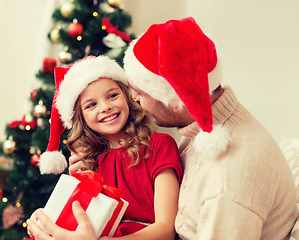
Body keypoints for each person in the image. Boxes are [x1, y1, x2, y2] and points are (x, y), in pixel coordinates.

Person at [70, 17, 299, 239]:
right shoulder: (200, 129)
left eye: (140, 92)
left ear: (173, 100)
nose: (134, 99)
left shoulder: (226, 187)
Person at [27, 55, 183, 240]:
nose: (106, 107)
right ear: (81, 117)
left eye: (112, 96)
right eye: (91, 105)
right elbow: (79, 221)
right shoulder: (86, 159)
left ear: (127, 97)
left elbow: (165, 229)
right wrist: (44, 217)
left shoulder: (159, 146)